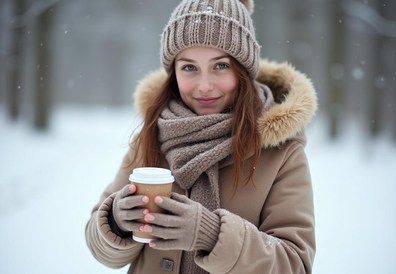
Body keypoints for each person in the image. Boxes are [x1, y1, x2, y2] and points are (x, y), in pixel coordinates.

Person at [85, 0, 317, 273]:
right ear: (173, 72)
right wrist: (116, 221)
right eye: (189, 68)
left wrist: (211, 235)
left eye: (220, 66)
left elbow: (294, 265)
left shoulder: (281, 151)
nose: (204, 86)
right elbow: (103, 251)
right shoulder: (153, 134)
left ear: (243, 70)